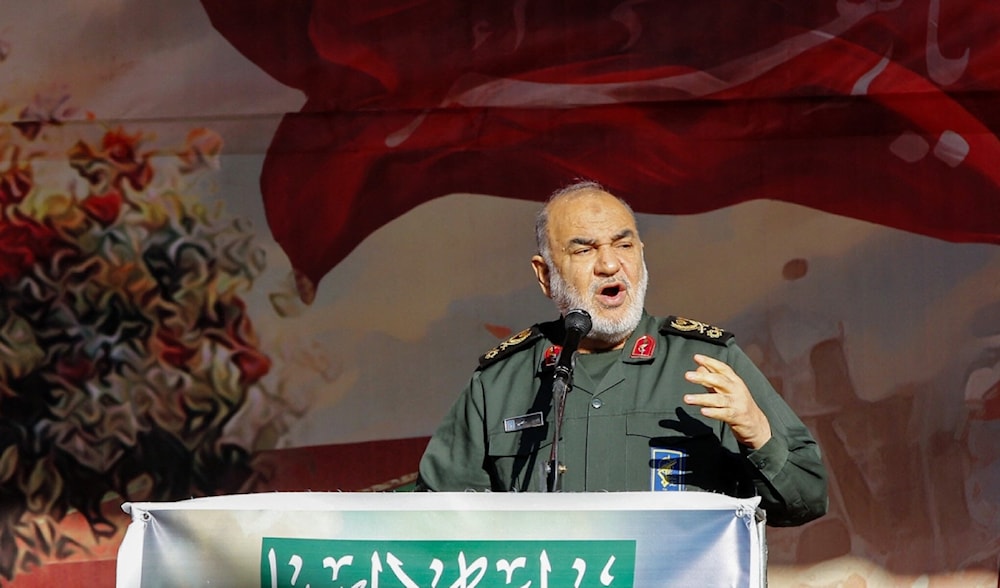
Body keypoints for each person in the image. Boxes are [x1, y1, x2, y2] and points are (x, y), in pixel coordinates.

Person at [416, 181, 828, 527]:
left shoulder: (709, 361)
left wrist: (758, 434)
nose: (610, 265)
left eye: (623, 244)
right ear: (545, 275)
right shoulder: (500, 381)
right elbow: (432, 521)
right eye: (584, 250)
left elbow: (807, 499)